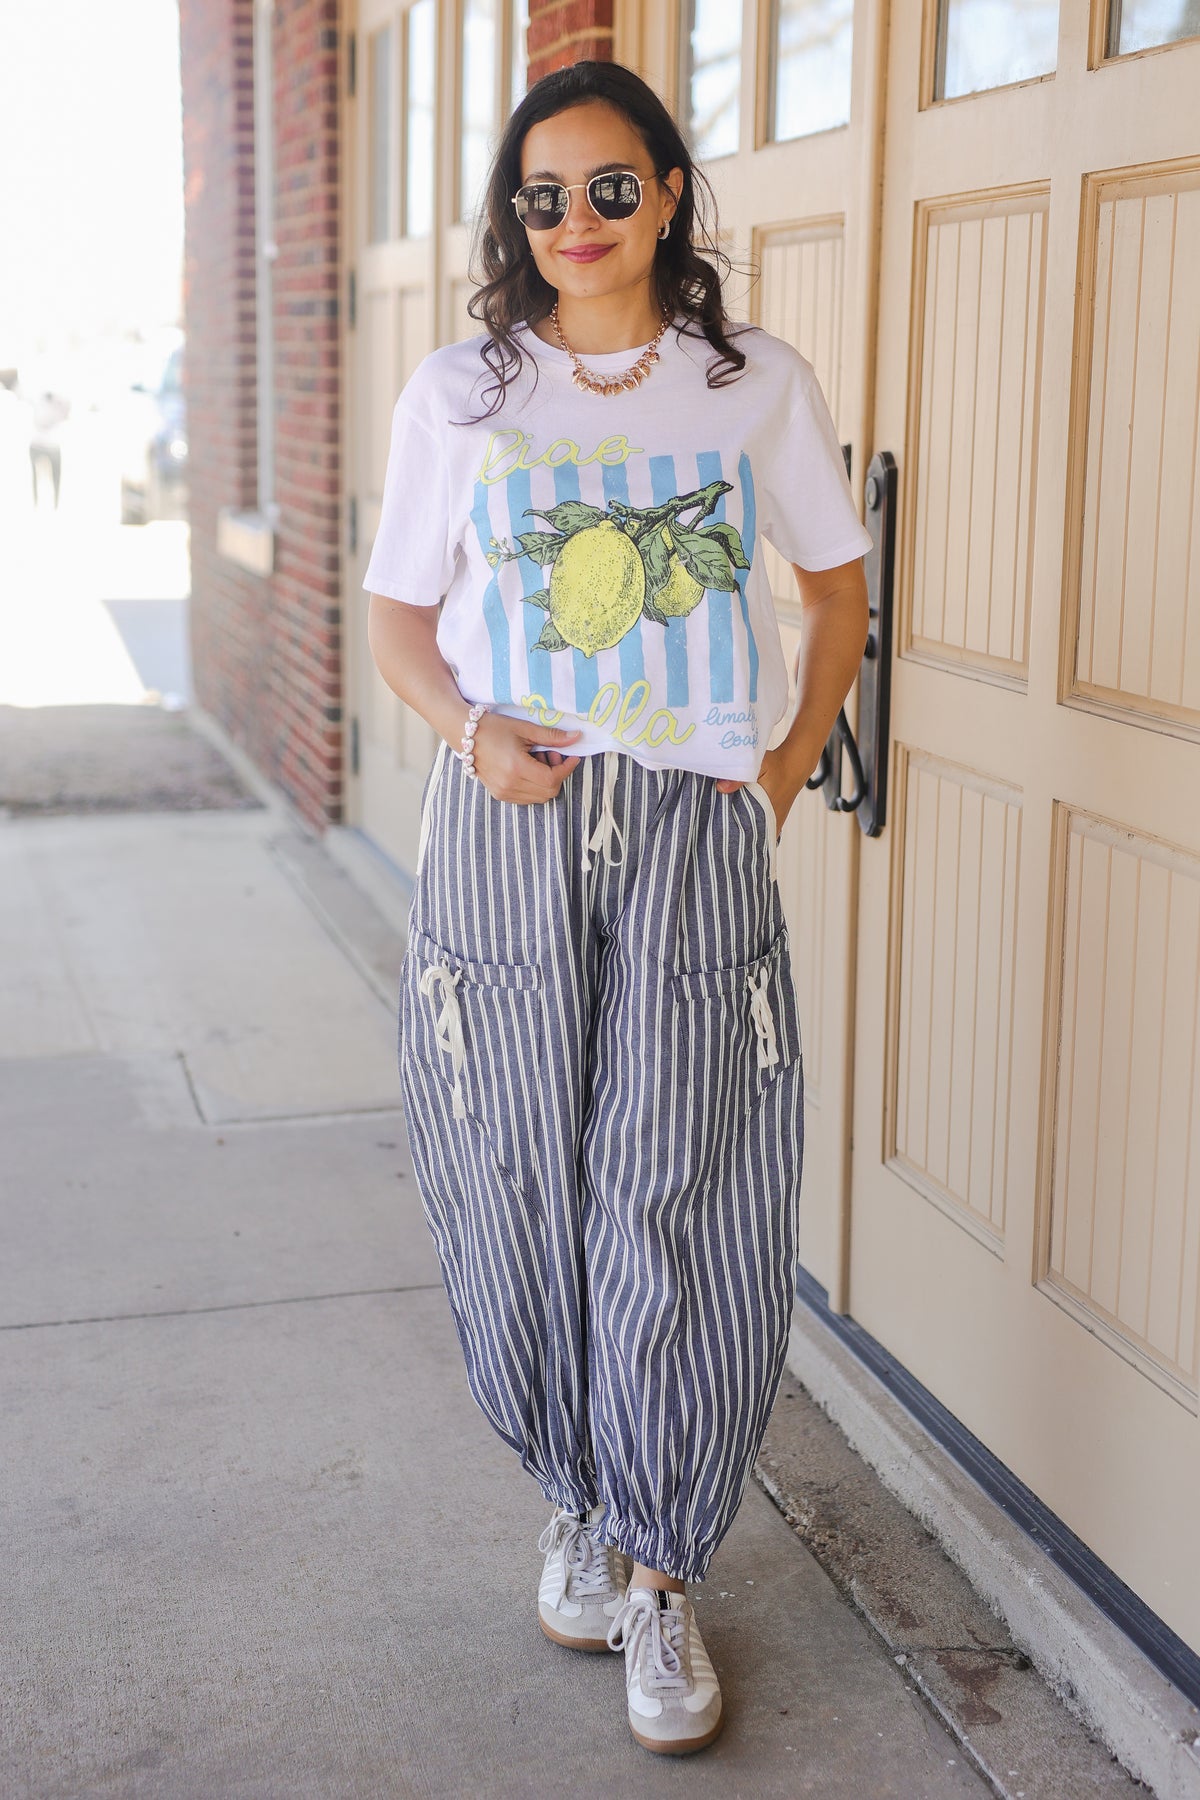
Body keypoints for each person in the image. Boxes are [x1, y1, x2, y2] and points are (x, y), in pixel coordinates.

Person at [365, 59, 871, 1757]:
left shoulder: (749, 387)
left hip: (690, 827)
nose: (573, 222)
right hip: (510, 822)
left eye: (606, 187)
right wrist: (470, 730)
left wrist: (785, 762)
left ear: (666, 193)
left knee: (679, 1173)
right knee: (516, 1164)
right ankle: (576, 1492)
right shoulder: (462, 393)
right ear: (518, 219)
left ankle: (660, 1568)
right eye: (540, 196)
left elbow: (835, 585)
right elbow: (400, 627)